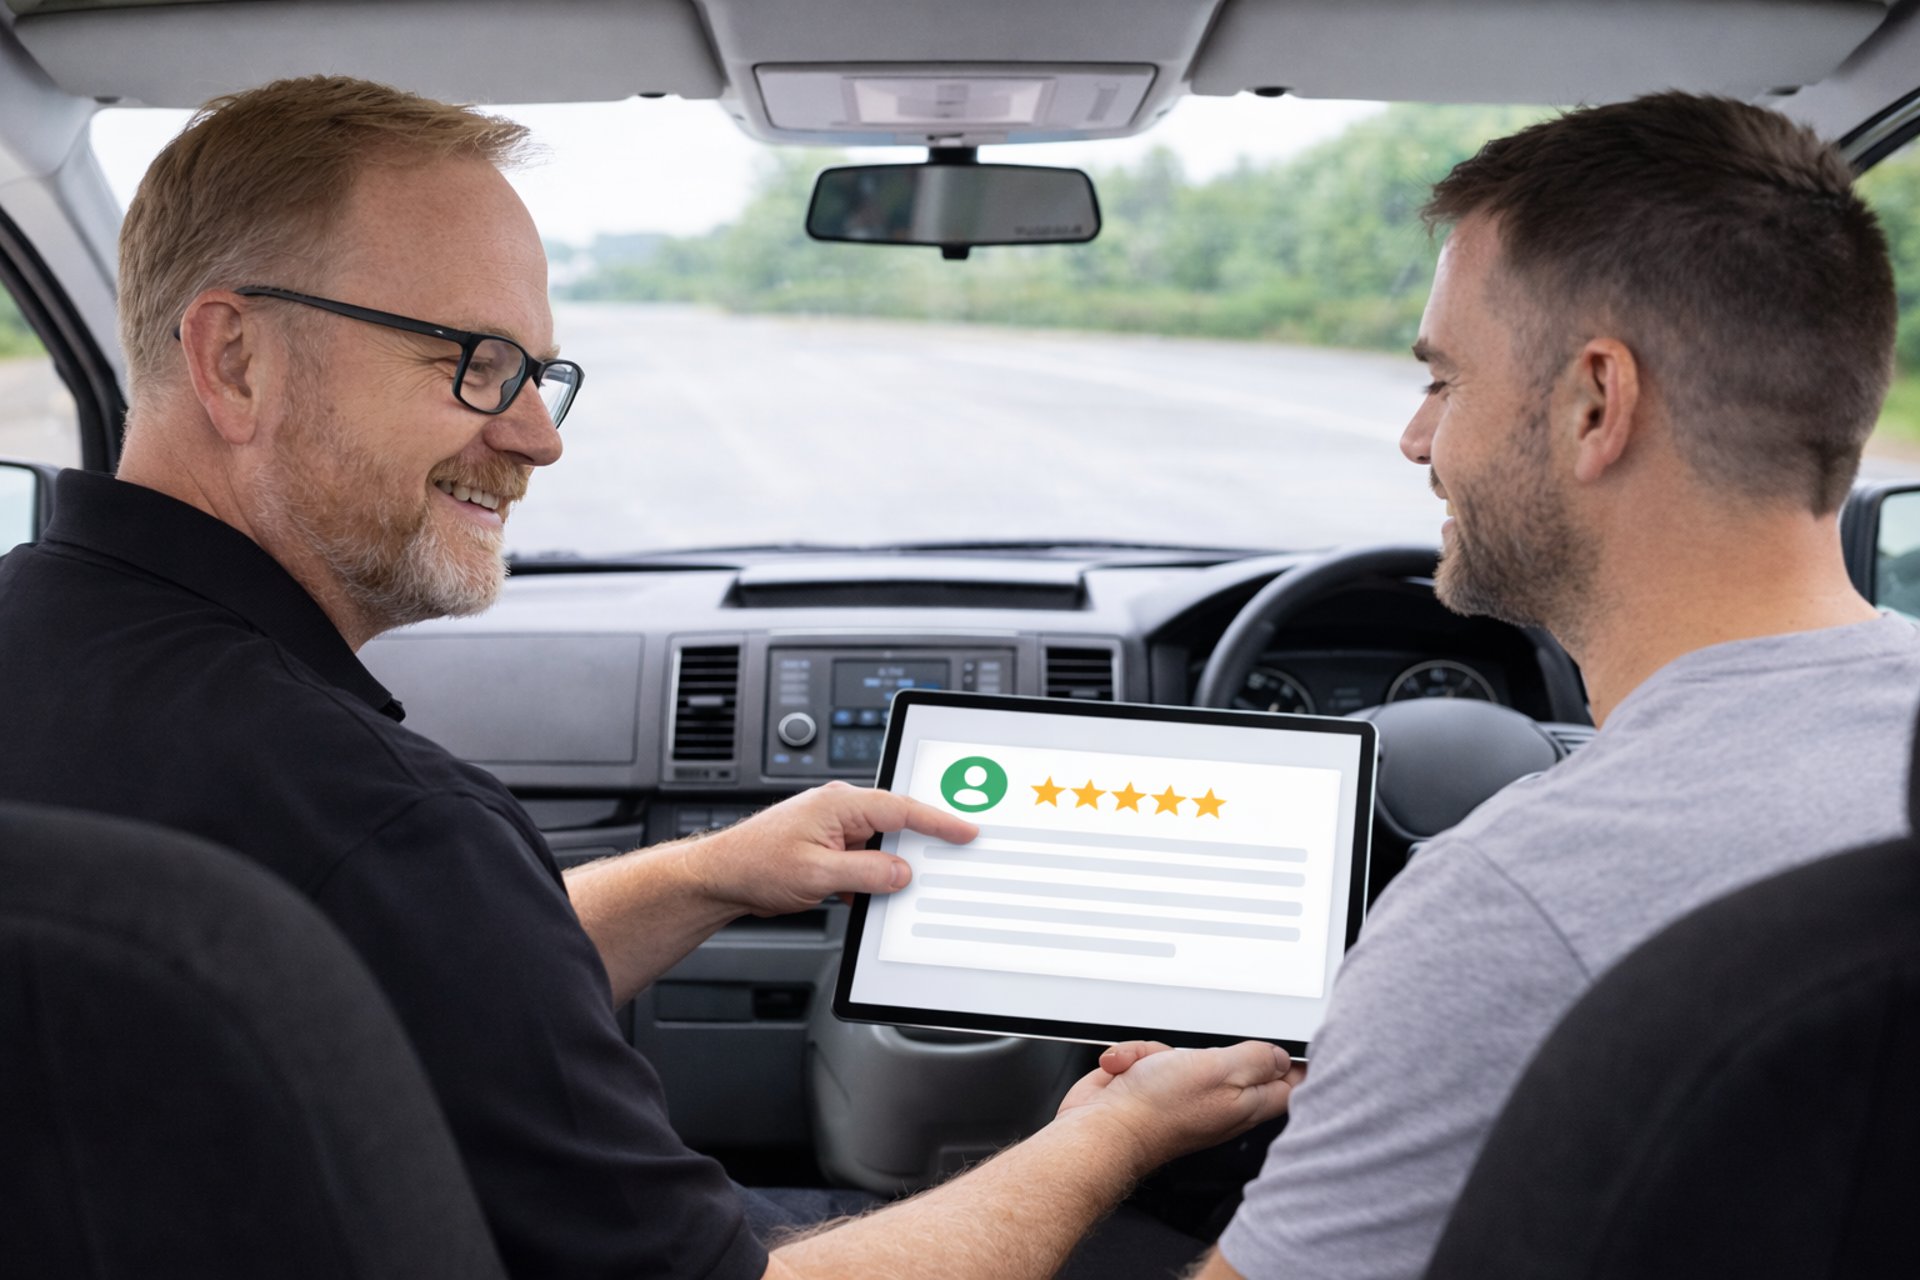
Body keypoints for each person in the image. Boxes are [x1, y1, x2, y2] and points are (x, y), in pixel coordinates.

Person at [0, 76, 1296, 1278]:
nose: (538, 437)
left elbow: (402, 978)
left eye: (540, 374)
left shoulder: (51, 648)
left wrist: (709, 871)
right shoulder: (381, 819)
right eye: (475, 363)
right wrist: (1113, 1135)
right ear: (235, 361)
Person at [1175, 92, 1920, 1279]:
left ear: (1594, 404)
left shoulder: (1516, 900)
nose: (1418, 440)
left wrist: (1107, 1142)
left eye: (1444, 380)